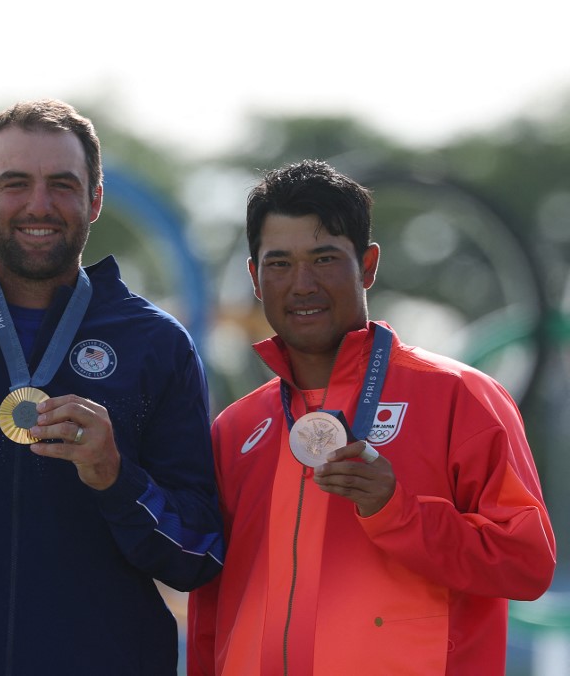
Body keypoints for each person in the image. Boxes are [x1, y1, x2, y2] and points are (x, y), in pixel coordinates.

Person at [0, 99, 224, 675]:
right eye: (15, 184)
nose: (40, 205)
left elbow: (199, 552)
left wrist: (115, 477)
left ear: (95, 199)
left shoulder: (156, 345)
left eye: (63, 184)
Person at [187, 159, 557, 675]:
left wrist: (397, 509)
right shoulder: (236, 428)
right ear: (253, 276)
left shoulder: (461, 396)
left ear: (368, 265)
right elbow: (212, 607)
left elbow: (527, 564)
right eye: (279, 263)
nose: (302, 284)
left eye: (324, 258)